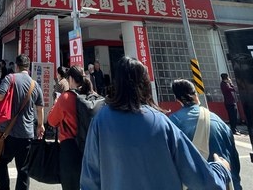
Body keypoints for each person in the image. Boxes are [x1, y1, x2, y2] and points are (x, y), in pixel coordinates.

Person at [80, 56, 231, 190]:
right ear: (145, 83)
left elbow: (90, 179)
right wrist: (221, 169)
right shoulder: (160, 121)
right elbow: (198, 176)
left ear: (116, 83)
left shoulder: (100, 120)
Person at [170, 78, 242, 190]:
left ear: (177, 99)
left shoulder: (173, 122)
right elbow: (233, 160)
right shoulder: (218, 121)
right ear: (196, 94)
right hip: (223, 183)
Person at [0, 54, 45, 190]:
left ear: (16, 66)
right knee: (23, 169)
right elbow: (40, 108)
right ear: (28, 68)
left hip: (8, 132)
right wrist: (40, 125)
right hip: (27, 133)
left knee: (0, 162)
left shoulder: (10, 78)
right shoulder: (34, 84)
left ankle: (4, 188)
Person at [47, 65, 95, 190]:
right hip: (91, 148)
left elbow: (52, 121)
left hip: (70, 149)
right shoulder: (93, 95)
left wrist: (56, 103)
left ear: (71, 79)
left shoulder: (66, 97)